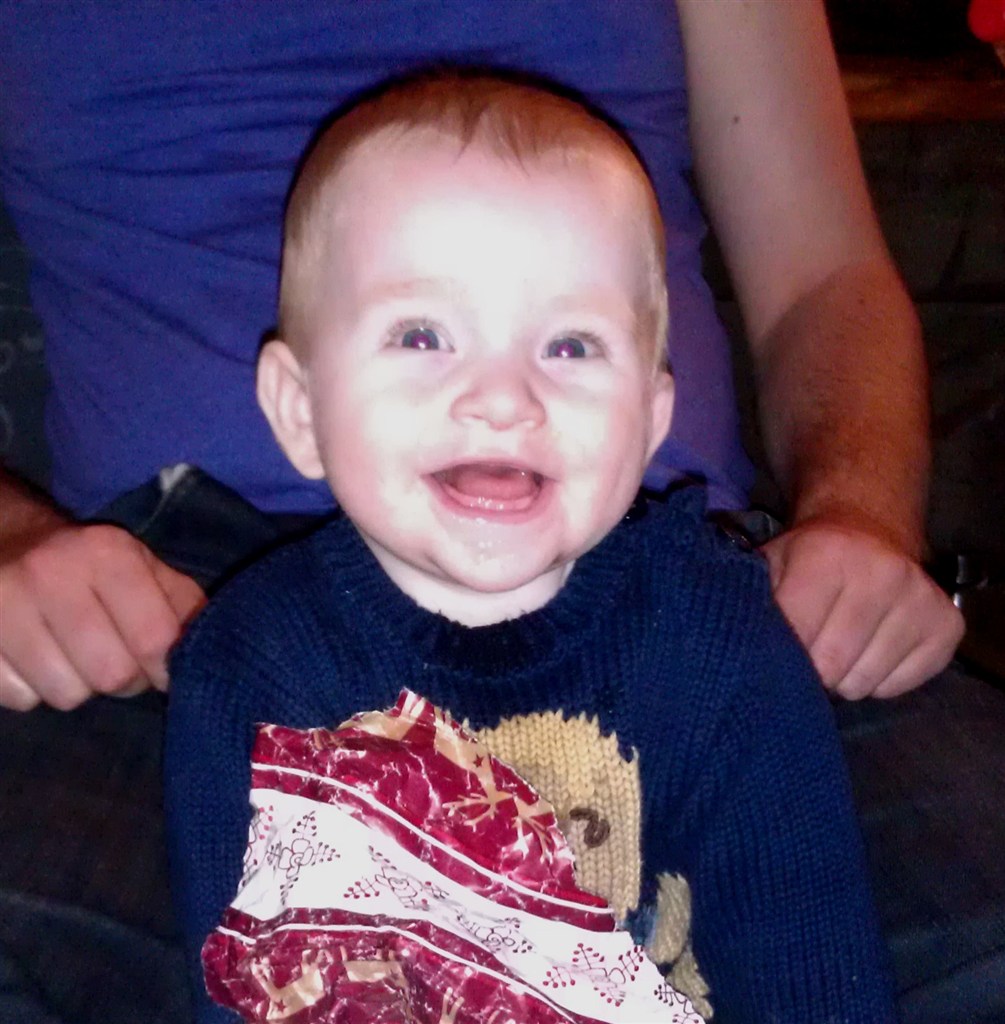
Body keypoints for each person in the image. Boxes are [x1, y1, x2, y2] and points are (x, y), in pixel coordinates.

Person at [165, 71, 896, 1024]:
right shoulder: (253, 674)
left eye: (570, 346)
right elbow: (258, 991)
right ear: (301, 412)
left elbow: (814, 976)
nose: (504, 398)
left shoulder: (722, 650)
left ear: (649, 422)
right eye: (421, 335)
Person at [0, 1, 963, 715]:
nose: (498, 403)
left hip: (673, 585)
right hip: (155, 621)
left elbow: (820, 279)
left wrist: (860, 520)